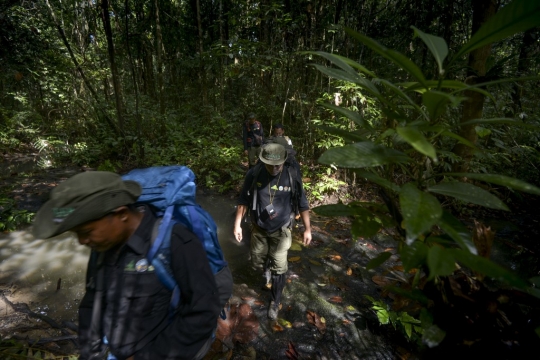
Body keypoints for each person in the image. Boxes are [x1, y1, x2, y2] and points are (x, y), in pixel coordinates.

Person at [32, 171, 221, 360]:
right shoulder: (102, 246)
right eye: (77, 233)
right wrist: (91, 352)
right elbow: (92, 303)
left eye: (86, 231)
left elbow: (203, 311)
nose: (82, 241)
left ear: (121, 214)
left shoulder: (175, 241)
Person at [233, 143, 311, 320]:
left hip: (282, 229)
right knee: (258, 261)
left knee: (279, 267)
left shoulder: (291, 175)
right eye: (270, 165)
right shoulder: (254, 174)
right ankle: (267, 275)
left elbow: (302, 203)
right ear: (263, 161)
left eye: (278, 165)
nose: (274, 168)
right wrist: (237, 225)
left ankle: (275, 301)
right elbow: (243, 200)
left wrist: (308, 229)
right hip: (258, 228)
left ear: (284, 161)